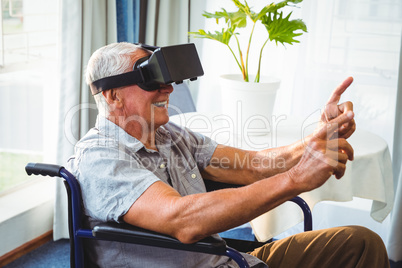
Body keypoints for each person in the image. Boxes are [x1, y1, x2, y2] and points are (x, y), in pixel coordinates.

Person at [67, 42, 390, 268]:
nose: (168, 89)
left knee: (358, 242)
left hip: (225, 259)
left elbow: (254, 166)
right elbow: (183, 220)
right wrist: (295, 179)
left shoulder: (171, 135)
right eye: (152, 81)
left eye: (166, 81)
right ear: (112, 96)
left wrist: (316, 140)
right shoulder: (102, 158)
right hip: (208, 261)